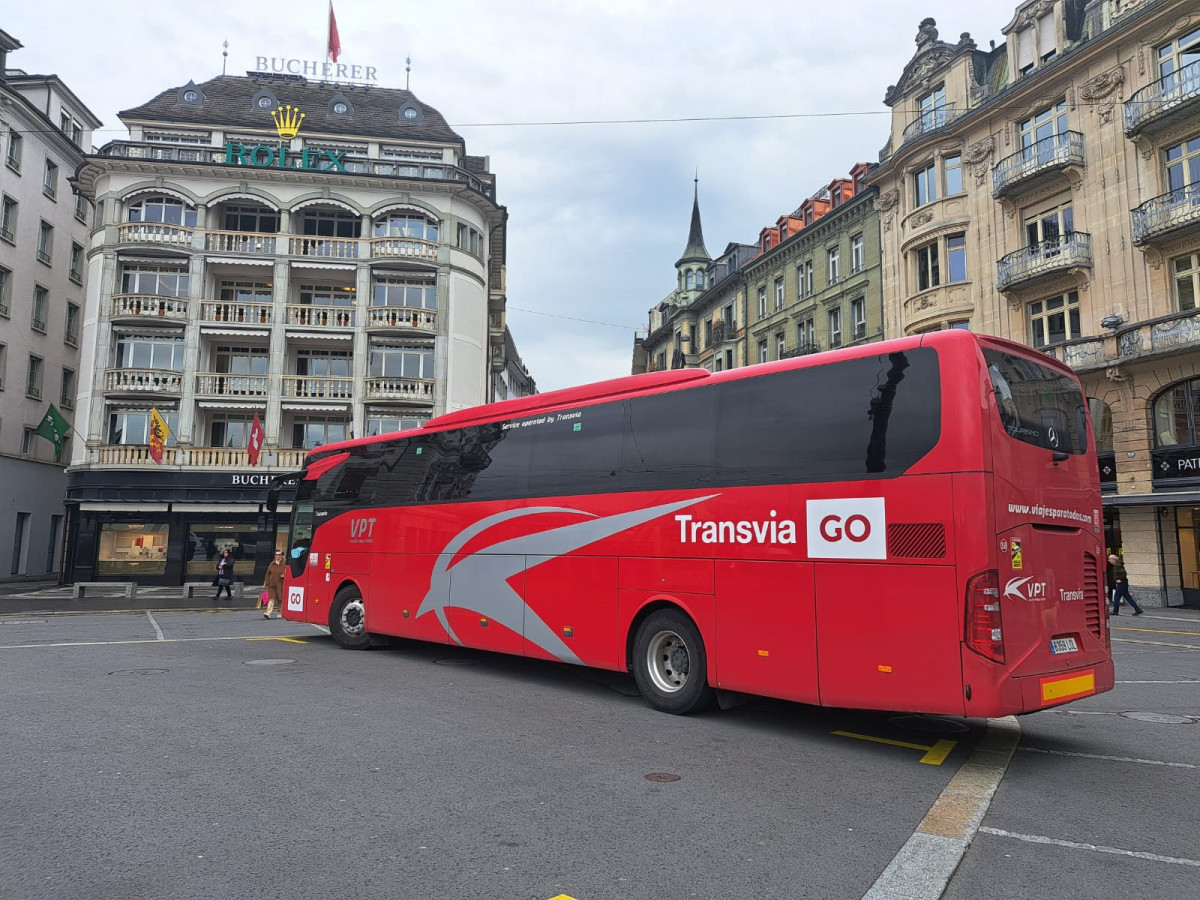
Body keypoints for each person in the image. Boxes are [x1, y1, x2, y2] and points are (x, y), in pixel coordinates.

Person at [263, 550, 287, 619]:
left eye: (279, 555)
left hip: (281, 584)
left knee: (280, 599)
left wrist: (285, 575)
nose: (278, 556)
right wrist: (266, 583)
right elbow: (267, 574)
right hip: (272, 584)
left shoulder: (285, 564)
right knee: (271, 598)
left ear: (282, 556)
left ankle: (279, 612)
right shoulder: (272, 564)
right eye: (276, 555)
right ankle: (268, 613)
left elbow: (289, 573)